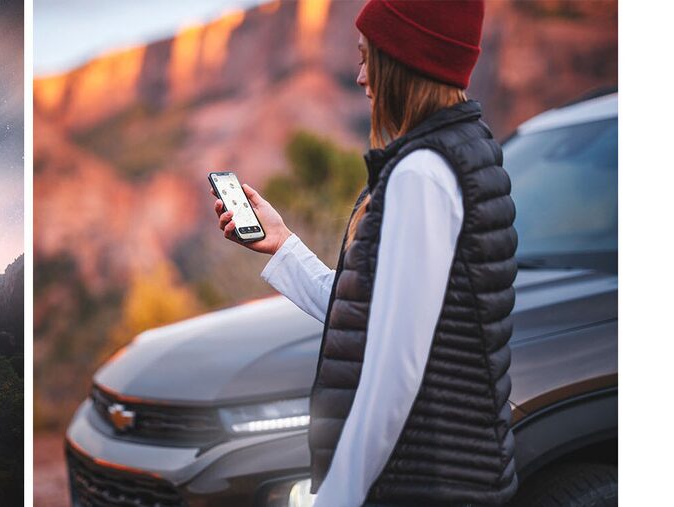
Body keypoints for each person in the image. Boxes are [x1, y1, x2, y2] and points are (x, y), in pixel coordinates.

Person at [214, 1, 517, 505]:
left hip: (420, 482)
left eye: (366, 57)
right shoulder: (466, 150)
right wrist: (284, 244)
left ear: (403, 59)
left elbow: (392, 373)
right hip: (448, 475)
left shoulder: (422, 173)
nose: (358, 76)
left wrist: (338, 494)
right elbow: (378, 314)